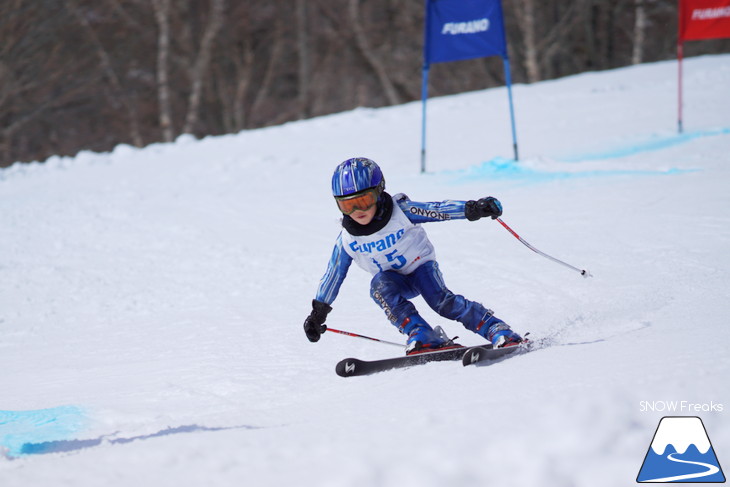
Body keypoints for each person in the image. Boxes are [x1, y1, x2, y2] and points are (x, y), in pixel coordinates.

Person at [303, 157, 523, 354]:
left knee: (441, 302)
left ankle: (495, 328)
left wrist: (472, 208)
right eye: (347, 205)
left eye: (363, 201)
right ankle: (422, 334)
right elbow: (333, 275)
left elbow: (438, 209)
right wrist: (318, 313)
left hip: (421, 268)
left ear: (378, 192)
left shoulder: (401, 212)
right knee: (378, 286)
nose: (356, 211)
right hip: (393, 281)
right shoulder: (347, 239)